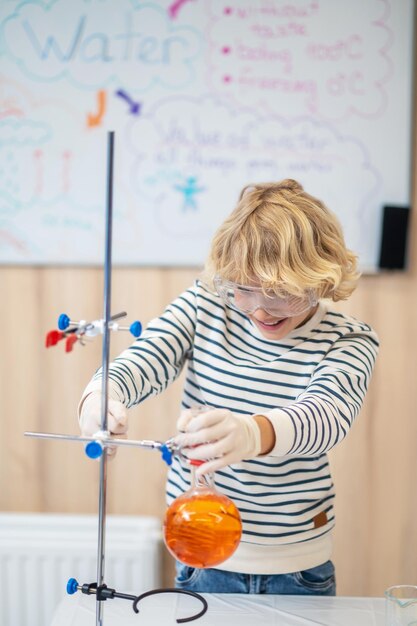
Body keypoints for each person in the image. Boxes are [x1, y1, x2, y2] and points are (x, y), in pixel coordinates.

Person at [79, 179, 379, 596]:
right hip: (199, 545)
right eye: (243, 288)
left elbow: (326, 417)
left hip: (295, 566)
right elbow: (147, 357)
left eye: (280, 293)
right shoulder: (206, 305)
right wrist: (101, 396)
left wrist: (252, 434)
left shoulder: (348, 339)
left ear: (321, 278)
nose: (259, 308)